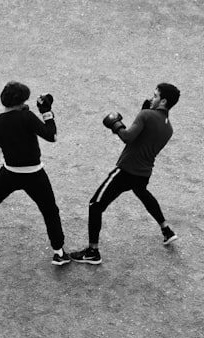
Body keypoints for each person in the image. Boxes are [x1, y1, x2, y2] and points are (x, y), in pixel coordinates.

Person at [0, 81, 71, 266]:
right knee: (50, 211)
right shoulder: (27, 117)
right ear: (21, 101)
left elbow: (3, 140)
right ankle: (59, 252)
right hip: (35, 174)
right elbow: (52, 136)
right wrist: (46, 113)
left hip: (9, 173)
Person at [71, 83, 181, 265]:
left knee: (95, 204)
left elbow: (128, 137)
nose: (151, 98)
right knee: (142, 192)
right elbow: (145, 138)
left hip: (126, 171)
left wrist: (116, 124)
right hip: (143, 173)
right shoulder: (169, 129)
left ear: (163, 101)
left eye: (155, 96)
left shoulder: (146, 115)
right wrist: (144, 114)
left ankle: (92, 251)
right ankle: (166, 230)